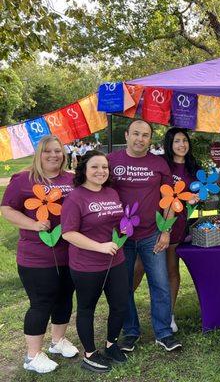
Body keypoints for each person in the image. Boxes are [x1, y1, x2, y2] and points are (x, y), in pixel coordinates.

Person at [0, 136, 79, 374]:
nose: (53, 155)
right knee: (41, 302)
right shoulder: (23, 179)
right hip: (36, 256)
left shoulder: (73, 179)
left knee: (65, 297)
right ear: (39, 154)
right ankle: (32, 355)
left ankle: (58, 341)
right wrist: (33, 224)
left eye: (58, 151)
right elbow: (6, 209)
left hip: (69, 253)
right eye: (48, 152)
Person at [107, 119, 182, 353]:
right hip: (121, 237)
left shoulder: (159, 164)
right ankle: (131, 332)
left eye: (146, 135)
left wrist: (166, 230)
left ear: (151, 139)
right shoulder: (110, 162)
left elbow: (170, 198)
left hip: (152, 234)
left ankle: (163, 332)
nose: (140, 139)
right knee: (124, 286)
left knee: (160, 284)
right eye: (136, 134)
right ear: (127, 135)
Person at [61, 151, 129, 373]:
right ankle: (89, 354)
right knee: (87, 308)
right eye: (95, 167)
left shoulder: (111, 192)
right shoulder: (75, 198)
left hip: (115, 260)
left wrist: (124, 228)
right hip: (87, 265)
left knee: (120, 304)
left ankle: (111, 345)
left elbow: (115, 221)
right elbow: (68, 233)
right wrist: (99, 246)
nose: (101, 171)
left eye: (105, 167)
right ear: (84, 170)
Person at [133, 127, 200, 333]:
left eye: (184, 140)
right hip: (155, 223)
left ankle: (168, 314)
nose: (182, 145)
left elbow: (195, 193)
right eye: (177, 141)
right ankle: (122, 308)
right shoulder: (160, 164)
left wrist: (196, 199)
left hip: (177, 225)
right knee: (139, 267)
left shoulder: (193, 167)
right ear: (169, 144)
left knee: (172, 269)